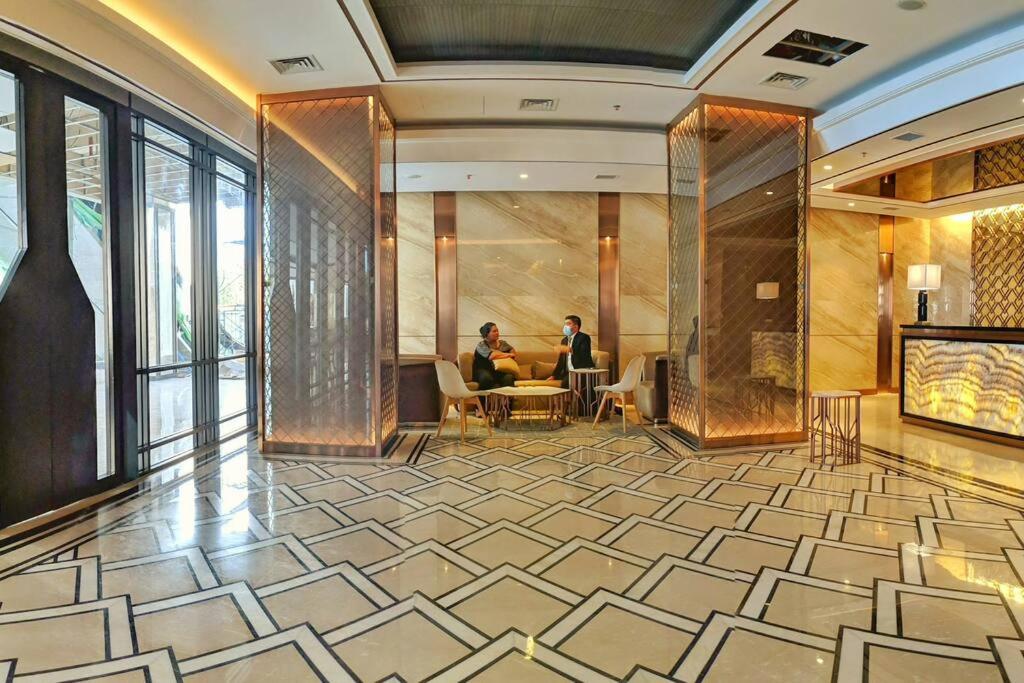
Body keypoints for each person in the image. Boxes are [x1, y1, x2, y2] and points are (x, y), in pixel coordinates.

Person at [549, 315, 594, 388]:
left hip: (581, 370)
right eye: (565, 324)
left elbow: (584, 354)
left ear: (576, 326)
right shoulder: (564, 340)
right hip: (568, 373)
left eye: (568, 324)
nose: (565, 326)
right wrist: (553, 375)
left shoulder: (584, 337)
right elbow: (561, 361)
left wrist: (570, 349)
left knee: (564, 384)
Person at [473, 322, 518, 390]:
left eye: (497, 331)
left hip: (499, 371)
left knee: (509, 377)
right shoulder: (481, 345)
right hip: (483, 370)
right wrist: (508, 355)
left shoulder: (502, 343)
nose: (497, 333)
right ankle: (485, 397)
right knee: (486, 378)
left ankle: (506, 397)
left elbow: (513, 353)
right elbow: (491, 356)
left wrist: (501, 354)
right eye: (494, 331)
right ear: (487, 334)